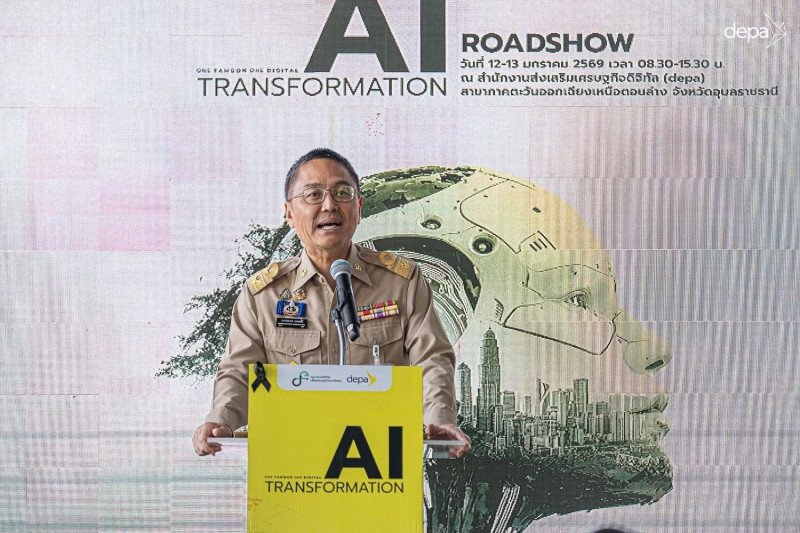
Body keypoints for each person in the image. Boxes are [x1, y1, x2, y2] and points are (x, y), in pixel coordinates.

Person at [192, 148, 470, 458]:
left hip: (380, 460)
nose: (329, 205)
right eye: (313, 195)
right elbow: (239, 371)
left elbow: (431, 358)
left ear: (359, 207)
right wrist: (220, 420)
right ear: (289, 213)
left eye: (342, 193)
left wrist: (439, 418)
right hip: (292, 458)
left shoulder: (401, 282)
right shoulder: (263, 295)